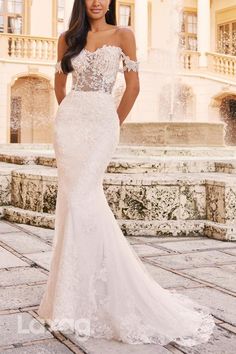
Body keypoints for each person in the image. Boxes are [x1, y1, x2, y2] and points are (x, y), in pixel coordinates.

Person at [38, 0, 215, 347]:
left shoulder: (124, 34)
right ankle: (70, 295)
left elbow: (133, 87)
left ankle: (94, 290)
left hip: (103, 122)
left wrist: (110, 122)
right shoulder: (66, 38)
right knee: (73, 203)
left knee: (81, 199)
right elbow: (60, 85)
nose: (97, 2)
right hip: (71, 126)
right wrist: (71, 114)